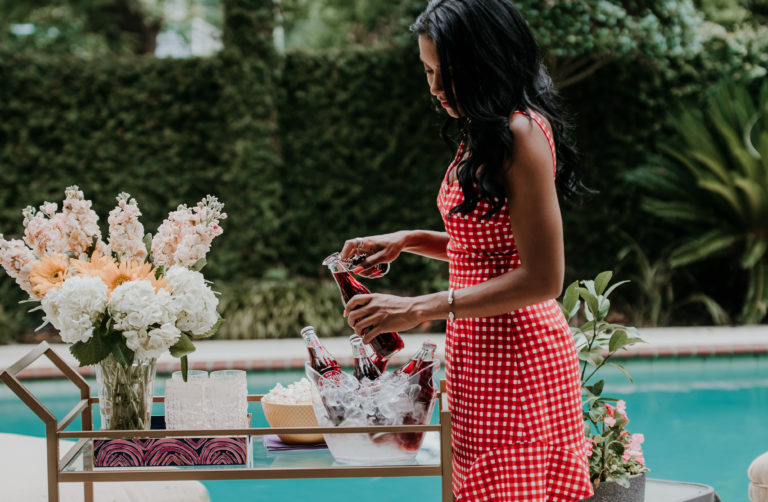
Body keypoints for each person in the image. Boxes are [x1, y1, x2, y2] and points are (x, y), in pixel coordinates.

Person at [339, 0, 593, 500]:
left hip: (518, 360)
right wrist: (408, 241)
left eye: (446, 73)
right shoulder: (484, 131)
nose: (434, 88)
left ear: (487, 61)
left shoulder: (521, 133)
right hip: (479, 354)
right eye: (428, 71)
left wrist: (419, 308)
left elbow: (544, 277)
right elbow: (488, 248)